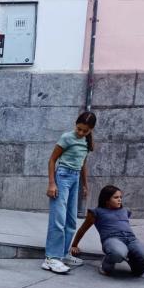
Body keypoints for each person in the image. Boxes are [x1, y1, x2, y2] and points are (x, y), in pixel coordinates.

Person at [42, 111, 96, 274]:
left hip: (75, 180)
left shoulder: (87, 142)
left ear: (91, 130)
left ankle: (63, 254)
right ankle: (51, 258)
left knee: (71, 221)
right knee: (58, 219)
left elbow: (83, 164)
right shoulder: (66, 137)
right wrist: (52, 184)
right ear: (75, 125)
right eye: (78, 129)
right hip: (62, 176)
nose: (80, 133)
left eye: (84, 131)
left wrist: (85, 185)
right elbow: (52, 160)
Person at [70, 185, 144, 276]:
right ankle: (105, 266)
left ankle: (136, 268)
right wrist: (74, 245)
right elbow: (82, 229)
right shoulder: (96, 212)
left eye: (120, 197)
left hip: (131, 240)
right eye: (116, 197)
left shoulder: (125, 210)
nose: (120, 200)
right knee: (118, 253)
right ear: (106, 200)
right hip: (112, 239)